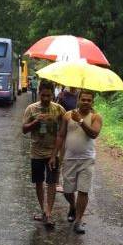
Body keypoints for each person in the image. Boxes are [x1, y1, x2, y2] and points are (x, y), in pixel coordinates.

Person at [50, 90, 103, 234]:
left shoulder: (96, 117)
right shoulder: (68, 115)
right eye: (83, 99)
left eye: (89, 100)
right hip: (69, 158)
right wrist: (54, 155)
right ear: (78, 100)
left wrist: (80, 121)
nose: (86, 102)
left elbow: (94, 134)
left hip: (87, 159)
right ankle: (73, 206)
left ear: (92, 102)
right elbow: (61, 136)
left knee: (83, 190)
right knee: (67, 191)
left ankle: (78, 220)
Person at [22, 80, 66, 227]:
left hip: (53, 153)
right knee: (39, 182)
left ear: (53, 94)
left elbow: (63, 132)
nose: (46, 98)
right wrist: (35, 122)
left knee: (52, 182)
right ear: (39, 93)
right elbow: (24, 129)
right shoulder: (31, 109)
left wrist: (56, 154)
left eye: (49, 95)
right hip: (36, 152)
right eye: (43, 95)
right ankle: (43, 210)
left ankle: (49, 212)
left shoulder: (59, 110)